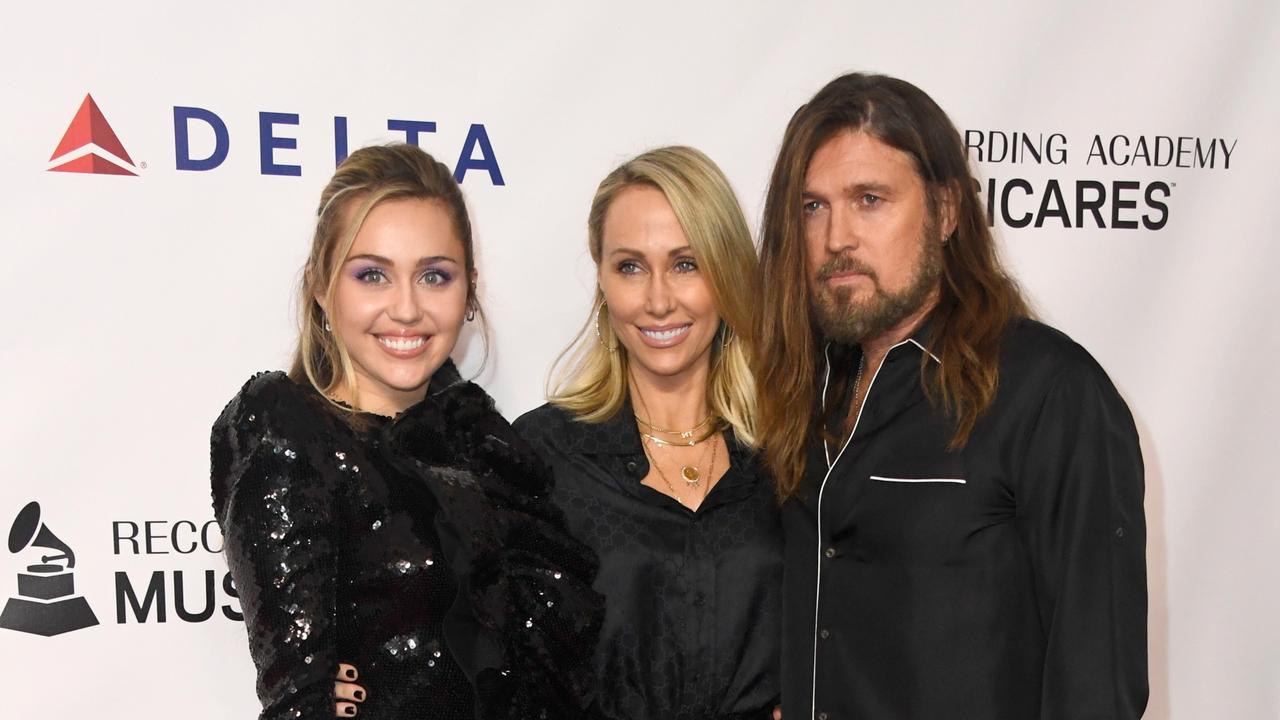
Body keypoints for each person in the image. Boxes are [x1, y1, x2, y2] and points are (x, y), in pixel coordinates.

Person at [753, 73, 1148, 719]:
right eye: (813, 206)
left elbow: (1096, 685)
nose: (836, 238)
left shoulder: (1049, 392)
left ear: (947, 211)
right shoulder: (806, 390)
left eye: (870, 199)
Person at [211, 143, 601, 720]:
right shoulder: (289, 430)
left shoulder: (479, 441)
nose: (407, 308)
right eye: (373, 275)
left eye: (433, 276)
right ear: (321, 286)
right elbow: (303, 699)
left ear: (468, 288)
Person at [514, 146, 783, 719]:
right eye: (630, 266)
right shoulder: (543, 455)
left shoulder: (790, 451)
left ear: (727, 273)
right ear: (602, 280)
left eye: (687, 264)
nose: (659, 300)